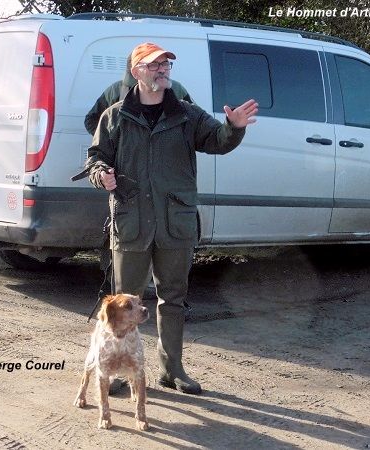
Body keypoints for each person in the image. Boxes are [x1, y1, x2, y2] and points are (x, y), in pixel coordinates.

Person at [84, 42, 257, 395]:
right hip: (131, 221)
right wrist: (102, 174)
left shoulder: (188, 115)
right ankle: (117, 370)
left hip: (173, 221)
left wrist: (233, 127)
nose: (162, 70)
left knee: (173, 298)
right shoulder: (114, 116)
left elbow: (218, 141)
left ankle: (172, 369)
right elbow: (95, 159)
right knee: (124, 301)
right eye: (153, 65)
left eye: (165, 65)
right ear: (136, 72)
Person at [84, 54, 193, 136]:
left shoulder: (175, 89)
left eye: (161, 64)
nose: (159, 69)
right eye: (152, 65)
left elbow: (195, 123)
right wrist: (110, 141)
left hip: (165, 159)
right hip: (126, 161)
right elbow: (91, 120)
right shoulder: (116, 90)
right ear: (135, 70)